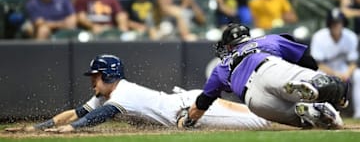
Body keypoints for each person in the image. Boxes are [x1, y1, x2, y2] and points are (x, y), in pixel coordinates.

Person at [5, 54, 269, 133]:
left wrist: (71, 129)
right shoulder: (105, 93)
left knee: (262, 121)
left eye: (95, 76)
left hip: (192, 110)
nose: (92, 81)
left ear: (108, 75)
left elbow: (97, 117)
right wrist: (39, 128)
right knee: (260, 117)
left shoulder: (123, 93)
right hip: (184, 110)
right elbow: (78, 113)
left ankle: (307, 116)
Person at [177, 23, 349, 129]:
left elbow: (202, 103)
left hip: (255, 101)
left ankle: (312, 111)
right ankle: (314, 93)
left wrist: (187, 121)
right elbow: (309, 62)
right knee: (329, 84)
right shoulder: (268, 40)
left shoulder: (221, 66)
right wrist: (312, 75)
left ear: (228, 46)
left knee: (303, 120)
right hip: (269, 68)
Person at [311, 8, 360, 119]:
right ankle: (316, 113)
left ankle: (359, 113)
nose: (337, 25)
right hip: (325, 70)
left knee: (358, 75)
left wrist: (347, 73)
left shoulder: (351, 36)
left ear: (343, 23)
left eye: (339, 22)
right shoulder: (319, 37)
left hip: (343, 69)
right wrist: (335, 74)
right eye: (334, 23)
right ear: (329, 24)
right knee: (315, 76)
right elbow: (318, 63)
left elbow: (353, 62)